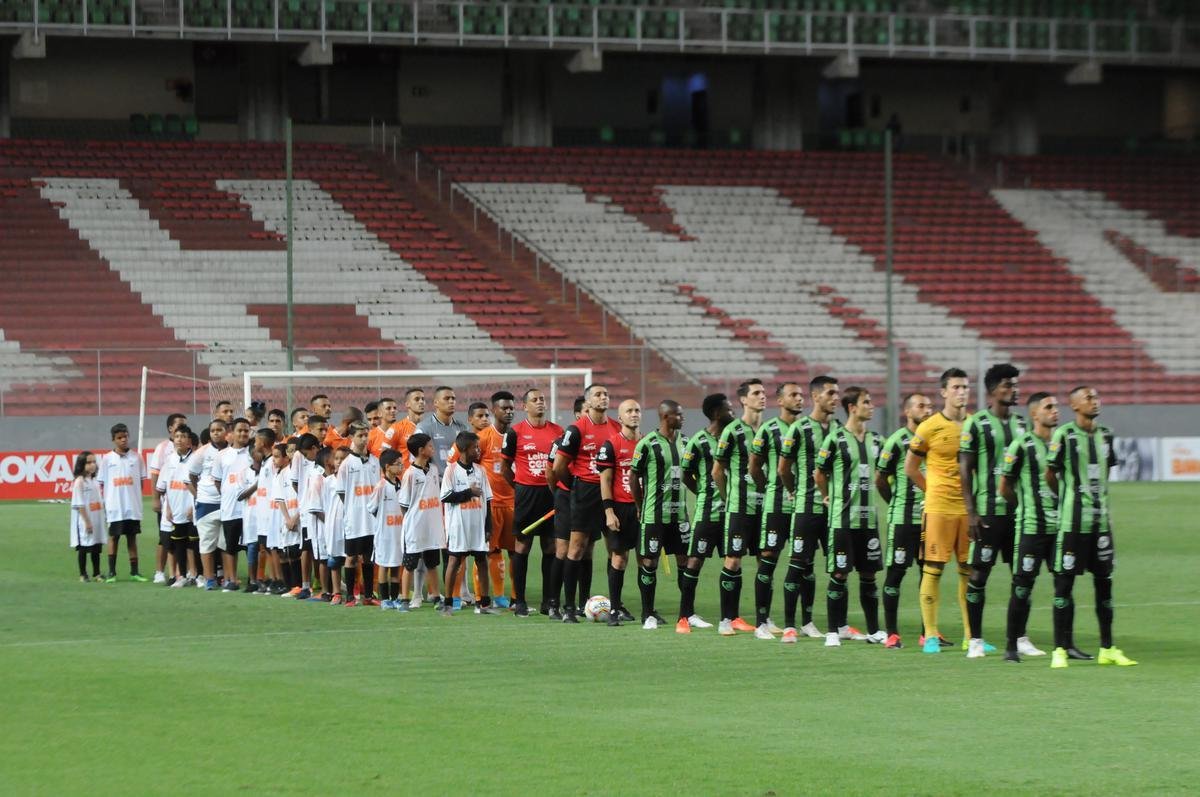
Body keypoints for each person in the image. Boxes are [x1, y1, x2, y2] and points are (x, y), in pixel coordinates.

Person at [1045, 386, 1137, 669]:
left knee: (1104, 586)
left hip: (1100, 524)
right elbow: (1051, 474)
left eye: (1097, 397)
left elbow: (1106, 471)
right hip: (1073, 524)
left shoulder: (1106, 434)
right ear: (1074, 405)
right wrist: (1071, 499)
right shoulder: (1064, 435)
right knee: (1064, 585)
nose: (1095, 402)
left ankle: (1107, 648)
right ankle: (1060, 649)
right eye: (1089, 398)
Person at [960, 363, 1026, 658]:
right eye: (1008, 386)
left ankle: (1020, 637)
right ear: (992, 390)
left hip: (1020, 515)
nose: (1015, 390)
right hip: (987, 513)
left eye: (1015, 385)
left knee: (1022, 575)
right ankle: (975, 639)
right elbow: (964, 470)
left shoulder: (1022, 425)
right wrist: (971, 512)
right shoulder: (975, 424)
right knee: (979, 575)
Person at [905, 367, 972, 654]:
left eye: (965, 387)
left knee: (970, 572)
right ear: (944, 392)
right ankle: (930, 634)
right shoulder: (929, 426)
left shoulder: (976, 424)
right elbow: (910, 468)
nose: (962, 392)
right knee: (933, 570)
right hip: (939, 509)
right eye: (956, 387)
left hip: (969, 510)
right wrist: (931, 492)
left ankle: (973, 636)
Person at [814, 387, 885, 646]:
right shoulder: (835, 439)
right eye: (866, 402)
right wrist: (826, 495)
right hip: (843, 521)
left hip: (869, 522)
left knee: (869, 575)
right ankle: (833, 632)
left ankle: (874, 630)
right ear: (852, 407)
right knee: (840, 574)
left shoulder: (877, 440)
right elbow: (819, 473)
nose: (872, 406)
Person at [551, 385, 622, 624]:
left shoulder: (616, 428)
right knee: (576, 548)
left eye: (606, 394)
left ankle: (615, 607)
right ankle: (569, 607)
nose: (604, 397)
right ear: (588, 402)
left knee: (615, 548)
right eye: (598, 395)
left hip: (611, 493)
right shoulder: (577, 428)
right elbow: (558, 466)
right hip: (585, 491)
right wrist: (575, 487)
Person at [778, 375, 842, 638]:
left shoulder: (839, 428)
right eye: (830, 393)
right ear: (816, 396)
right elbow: (783, 469)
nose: (835, 398)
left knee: (838, 567)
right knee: (799, 564)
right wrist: (795, 493)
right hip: (806, 509)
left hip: (834, 511)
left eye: (837, 393)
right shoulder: (800, 428)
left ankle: (826, 624)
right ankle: (791, 626)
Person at [999, 391, 1059, 662]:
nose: (1055, 411)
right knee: (1022, 586)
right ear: (1035, 414)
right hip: (1031, 527)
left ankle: (1065, 646)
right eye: (1049, 407)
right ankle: (1012, 646)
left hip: (1060, 527)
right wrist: (1025, 504)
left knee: (1063, 585)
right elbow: (1005, 487)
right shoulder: (1021, 445)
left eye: (1056, 406)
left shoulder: (1063, 443)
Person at [875, 393, 933, 648]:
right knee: (896, 573)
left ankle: (927, 632)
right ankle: (892, 633)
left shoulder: (934, 439)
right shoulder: (897, 441)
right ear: (908, 412)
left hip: (929, 519)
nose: (928, 410)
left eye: (930, 406)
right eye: (922, 406)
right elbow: (880, 479)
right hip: (902, 519)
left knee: (929, 574)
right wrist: (897, 502)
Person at [749, 382, 804, 640]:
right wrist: (770, 488)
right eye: (793, 395)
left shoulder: (806, 430)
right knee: (768, 559)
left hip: (804, 506)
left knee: (805, 562)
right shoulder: (769, 430)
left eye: (801, 395)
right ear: (780, 401)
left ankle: (807, 621)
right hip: (777, 506)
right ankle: (762, 621)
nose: (799, 399)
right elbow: (754, 467)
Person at [503, 387, 564, 617]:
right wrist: (519, 486)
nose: (540, 402)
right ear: (524, 406)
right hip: (526, 495)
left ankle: (549, 600)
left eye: (542, 399)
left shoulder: (558, 431)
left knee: (550, 546)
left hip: (551, 495)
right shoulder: (515, 432)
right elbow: (505, 468)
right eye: (534, 400)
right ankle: (519, 601)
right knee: (522, 546)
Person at [712, 378, 767, 636]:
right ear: (744, 399)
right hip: (739, 507)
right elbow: (717, 471)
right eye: (756, 393)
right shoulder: (732, 431)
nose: (762, 397)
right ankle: (726, 619)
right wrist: (728, 498)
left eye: (764, 393)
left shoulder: (767, 431)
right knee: (732, 560)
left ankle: (763, 620)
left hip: (763, 508)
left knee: (764, 561)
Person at [676, 393, 734, 633]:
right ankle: (684, 617)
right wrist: (701, 490)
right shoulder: (699, 440)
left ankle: (731, 617)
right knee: (695, 561)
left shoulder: (733, 438)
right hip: (707, 513)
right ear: (717, 413)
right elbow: (685, 472)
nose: (733, 413)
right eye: (729, 409)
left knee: (734, 562)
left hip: (731, 513)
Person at [631, 400, 688, 631]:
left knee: (686, 561)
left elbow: (691, 474)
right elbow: (634, 478)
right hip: (654, 515)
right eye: (678, 415)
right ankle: (647, 614)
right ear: (666, 417)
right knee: (649, 562)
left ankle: (687, 613)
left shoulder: (685, 442)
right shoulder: (647, 444)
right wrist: (639, 505)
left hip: (681, 516)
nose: (682, 418)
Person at [440, 431, 499, 616]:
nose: (478, 450)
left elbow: (487, 500)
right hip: (458, 526)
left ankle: (484, 603)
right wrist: (468, 492)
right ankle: (448, 603)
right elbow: (446, 497)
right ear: (464, 449)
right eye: (475, 447)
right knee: (454, 561)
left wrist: (488, 526)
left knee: (482, 561)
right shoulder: (451, 470)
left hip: (477, 525)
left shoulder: (481, 471)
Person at [596, 399, 643, 626]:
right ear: (620, 417)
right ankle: (614, 610)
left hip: (644, 508)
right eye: (629, 411)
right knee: (619, 557)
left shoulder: (647, 443)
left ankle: (648, 610)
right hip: (620, 508)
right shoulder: (611, 444)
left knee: (646, 559)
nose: (634, 414)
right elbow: (604, 480)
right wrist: (609, 512)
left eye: (637, 410)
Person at [544, 398, 585, 619]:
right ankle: (554, 603)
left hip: (589, 498)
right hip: (566, 497)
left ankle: (584, 603)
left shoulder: (599, 441)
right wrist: (563, 492)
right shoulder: (561, 441)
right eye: (585, 410)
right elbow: (550, 472)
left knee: (585, 551)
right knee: (562, 550)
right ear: (578, 414)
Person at [476, 391, 517, 608]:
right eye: (504, 408)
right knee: (488, 551)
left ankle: (514, 599)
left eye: (511, 408)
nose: (509, 411)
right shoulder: (483, 438)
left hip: (514, 504)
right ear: (494, 409)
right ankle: (486, 597)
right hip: (490, 506)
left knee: (516, 552)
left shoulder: (518, 435)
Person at [399, 433, 445, 612]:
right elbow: (403, 504)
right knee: (409, 564)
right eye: (430, 446)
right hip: (415, 527)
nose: (432, 448)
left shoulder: (433, 469)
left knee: (432, 564)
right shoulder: (410, 474)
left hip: (432, 526)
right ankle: (404, 599)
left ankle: (435, 596)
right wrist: (413, 519)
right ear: (421, 450)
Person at [337, 421, 381, 606]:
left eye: (366, 435)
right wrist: (353, 508)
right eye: (360, 436)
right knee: (351, 557)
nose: (364, 439)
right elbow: (341, 492)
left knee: (369, 557)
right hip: (355, 519)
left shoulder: (375, 461)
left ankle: (368, 596)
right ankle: (349, 596)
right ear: (352, 437)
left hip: (372, 519)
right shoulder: (347, 464)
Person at [97, 422, 147, 582]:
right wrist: (107, 504)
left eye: (125, 436)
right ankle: (112, 572)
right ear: (114, 440)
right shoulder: (107, 459)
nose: (123, 440)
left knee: (132, 539)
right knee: (114, 538)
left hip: (132, 506)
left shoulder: (137, 457)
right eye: (119, 437)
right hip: (115, 507)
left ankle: (134, 572)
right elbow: (102, 483)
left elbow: (141, 482)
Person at [210, 417, 252, 591]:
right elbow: (218, 481)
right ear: (231, 433)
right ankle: (231, 580)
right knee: (230, 546)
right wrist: (229, 494)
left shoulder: (252, 453)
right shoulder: (222, 456)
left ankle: (254, 579)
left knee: (252, 546)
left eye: (246, 430)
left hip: (250, 508)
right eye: (239, 430)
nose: (243, 433)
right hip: (230, 508)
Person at [148, 413, 187, 584]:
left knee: (182, 538)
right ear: (170, 428)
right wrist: (156, 498)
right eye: (178, 425)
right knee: (164, 538)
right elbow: (156, 474)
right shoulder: (163, 448)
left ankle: (180, 572)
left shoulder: (189, 446)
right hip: (167, 503)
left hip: (183, 502)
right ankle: (159, 571)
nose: (181, 428)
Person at [157, 424, 198, 588]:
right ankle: (180, 576)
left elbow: (198, 486)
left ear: (189, 441)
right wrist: (167, 507)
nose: (179, 439)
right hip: (175, 511)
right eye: (177, 436)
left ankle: (196, 574)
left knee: (194, 544)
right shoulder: (169, 460)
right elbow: (164, 487)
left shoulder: (195, 460)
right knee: (179, 544)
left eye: (183, 437)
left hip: (192, 511)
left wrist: (193, 506)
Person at [189, 419, 228, 589]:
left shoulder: (232, 451)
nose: (216, 433)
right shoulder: (202, 452)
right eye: (213, 430)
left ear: (226, 431)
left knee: (226, 543)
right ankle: (209, 578)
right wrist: (200, 495)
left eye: (219, 429)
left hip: (227, 503)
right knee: (206, 543)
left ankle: (228, 578)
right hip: (206, 503)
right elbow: (191, 477)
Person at [370, 449, 406, 609]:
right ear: (387, 467)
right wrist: (383, 520)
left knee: (396, 564)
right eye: (398, 464)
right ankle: (384, 598)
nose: (401, 467)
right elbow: (371, 507)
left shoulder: (401, 484)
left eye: (401, 464)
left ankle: (395, 596)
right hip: (385, 533)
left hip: (399, 532)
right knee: (384, 564)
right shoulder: (381, 486)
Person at [70, 451, 106, 582]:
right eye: (89, 462)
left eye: (94, 462)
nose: (92, 465)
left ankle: (97, 573)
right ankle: (83, 574)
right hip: (85, 520)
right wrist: (87, 522)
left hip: (96, 518)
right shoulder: (79, 482)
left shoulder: (94, 481)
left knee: (96, 547)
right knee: (84, 548)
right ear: (82, 464)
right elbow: (79, 504)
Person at [384, 387, 426, 469]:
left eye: (423, 399)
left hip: (425, 477)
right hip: (404, 477)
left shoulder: (428, 427)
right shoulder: (397, 428)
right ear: (407, 404)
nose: (421, 402)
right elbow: (385, 455)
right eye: (417, 399)